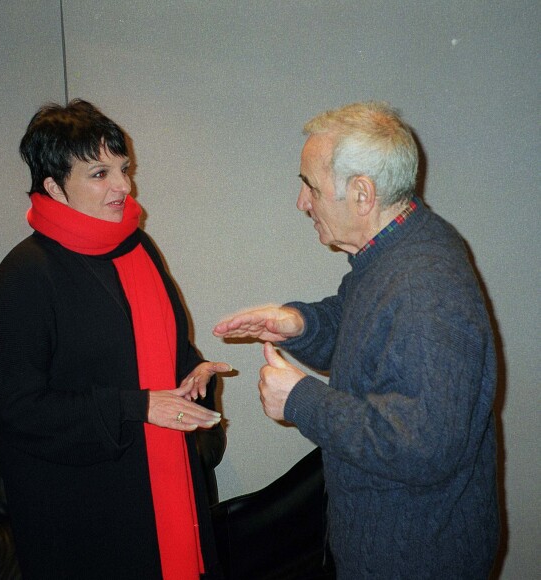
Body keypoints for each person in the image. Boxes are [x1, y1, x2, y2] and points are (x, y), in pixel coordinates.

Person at [213, 102, 499, 578]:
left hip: (416, 559)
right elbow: (357, 322)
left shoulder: (426, 287)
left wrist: (301, 400)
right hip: (390, 543)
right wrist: (298, 324)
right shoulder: (395, 248)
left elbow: (422, 446)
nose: (301, 202)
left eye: (311, 185)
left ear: (362, 194)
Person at [0, 99, 231, 579]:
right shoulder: (24, 276)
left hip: (161, 489)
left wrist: (193, 372)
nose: (124, 186)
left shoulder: (137, 245)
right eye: (99, 174)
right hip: (80, 513)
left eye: (124, 168)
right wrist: (135, 407)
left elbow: (170, 350)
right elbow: (16, 410)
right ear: (54, 186)